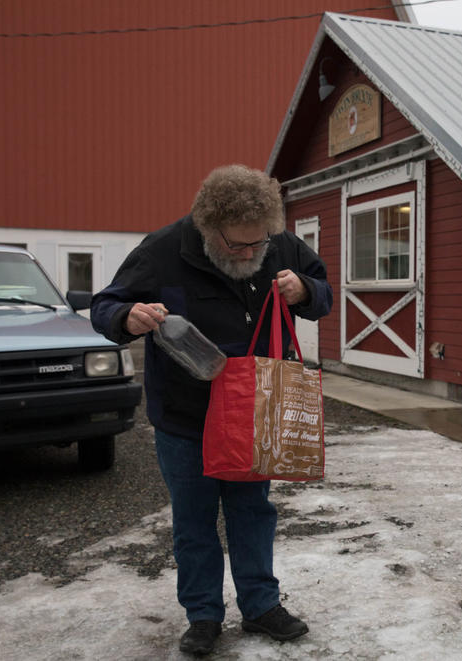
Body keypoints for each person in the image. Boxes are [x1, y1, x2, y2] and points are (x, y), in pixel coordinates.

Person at [91, 164, 332, 656]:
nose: (250, 254)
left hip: (253, 414)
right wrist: (126, 316)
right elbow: (105, 306)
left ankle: (261, 606)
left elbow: (322, 291)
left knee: (253, 513)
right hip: (187, 419)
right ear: (207, 228)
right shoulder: (160, 250)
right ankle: (202, 615)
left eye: (257, 245)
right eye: (236, 246)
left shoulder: (279, 243)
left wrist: (305, 291)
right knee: (195, 521)